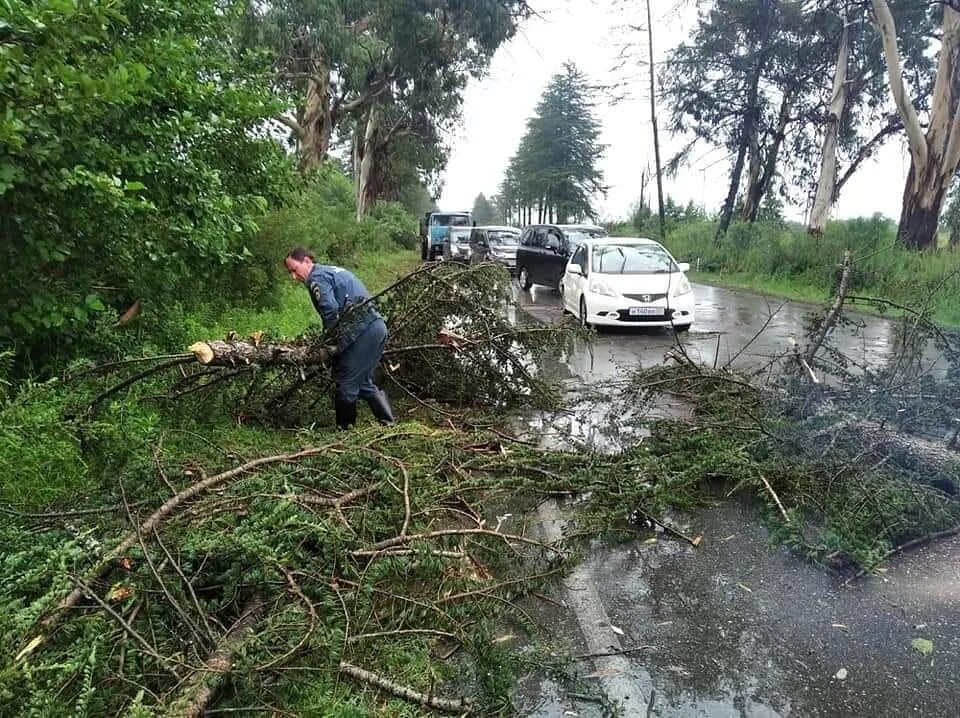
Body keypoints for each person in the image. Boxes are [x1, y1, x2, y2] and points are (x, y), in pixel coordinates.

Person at [284, 247, 394, 429]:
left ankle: (345, 432)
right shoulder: (330, 271)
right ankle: (389, 425)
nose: (294, 277)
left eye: (294, 270)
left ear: (306, 261)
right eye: (290, 273)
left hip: (363, 332)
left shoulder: (316, 278)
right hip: (377, 327)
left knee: (346, 383)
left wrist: (331, 342)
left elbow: (330, 311)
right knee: (364, 381)